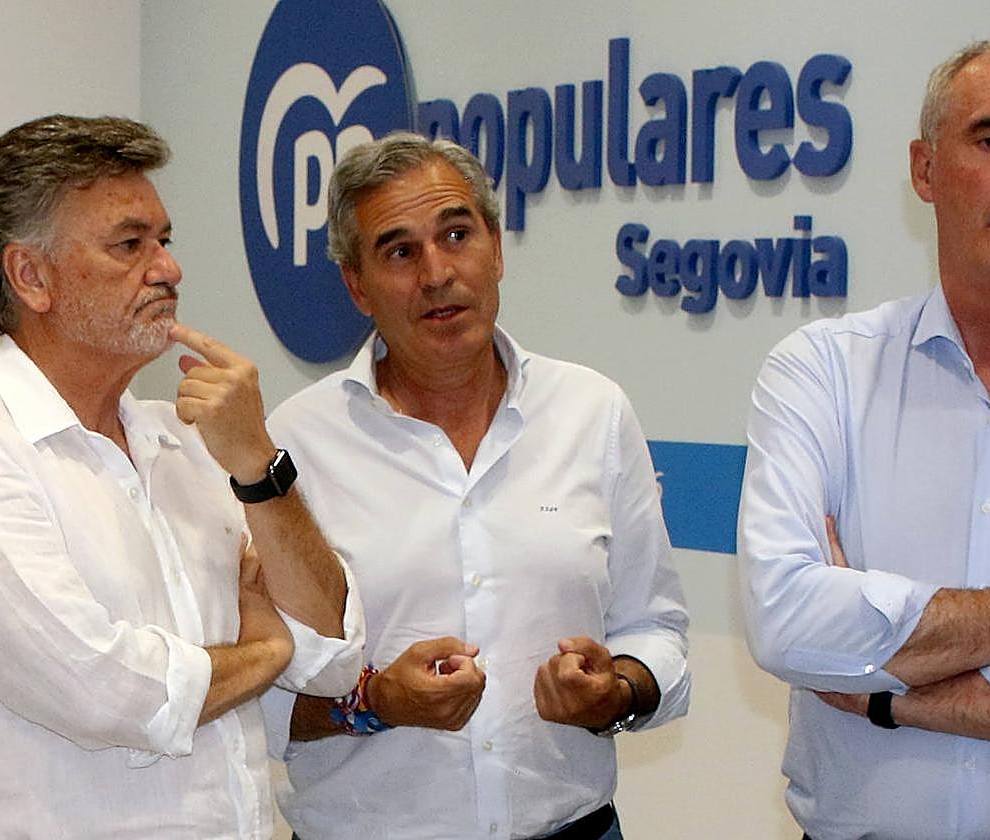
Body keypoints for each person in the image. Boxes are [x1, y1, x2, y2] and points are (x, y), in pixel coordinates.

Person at [0, 115, 363, 839]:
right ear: (31, 277)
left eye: (164, 240)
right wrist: (266, 651)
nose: (168, 269)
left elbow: (331, 656)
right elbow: (105, 690)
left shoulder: (191, 442)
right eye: (130, 244)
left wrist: (257, 466)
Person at [258, 131, 690, 840]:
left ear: (496, 248)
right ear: (357, 286)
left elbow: (657, 629)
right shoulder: (294, 445)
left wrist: (617, 691)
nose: (437, 273)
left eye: (457, 235)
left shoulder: (592, 411)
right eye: (400, 252)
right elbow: (259, 693)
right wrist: (373, 703)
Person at [740, 35, 990, 839]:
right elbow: (787, 621)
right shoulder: (822, 371)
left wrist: (889, 699)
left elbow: (829, 638)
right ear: (926, 170)